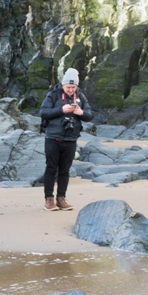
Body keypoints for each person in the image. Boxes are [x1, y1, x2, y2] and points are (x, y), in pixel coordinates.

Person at [40, 68, 93, 211]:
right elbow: (43, 112)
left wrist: (80, 113)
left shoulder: (80, 96)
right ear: (62, 85)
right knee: (51, 169)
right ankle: (49, 200)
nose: (70, 90)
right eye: (68, 87)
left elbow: (89, 115)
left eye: (73, 87)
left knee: (65, 170)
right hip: (53, 137)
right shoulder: (53, 95)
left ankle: (61, 199)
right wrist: (62, 110)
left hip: (71, 138)